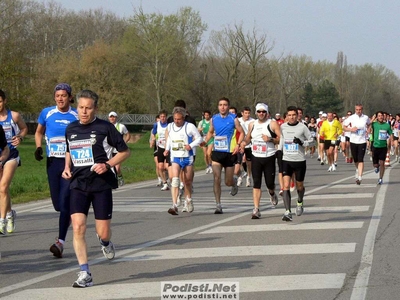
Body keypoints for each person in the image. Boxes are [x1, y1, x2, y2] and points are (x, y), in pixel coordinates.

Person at [62, 90, 130, 288]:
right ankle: (85, 272)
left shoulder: (105, 127)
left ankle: (106, 243)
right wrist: (67, 167)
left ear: (95, 109)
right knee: (78, 227)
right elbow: (69, 149)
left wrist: (107, 165)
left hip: (101, 184)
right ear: (77, 108)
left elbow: (125, 152)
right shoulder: (71, 128)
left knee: (103, 232)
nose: (84, 112)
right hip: (78, 184)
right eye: (81, 107)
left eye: (88, 108)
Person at [34, 83, 79, 257]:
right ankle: (67, 216)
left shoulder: (75, 114)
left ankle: (60, 242)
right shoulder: (47, 113)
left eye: (64, 95)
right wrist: (38, 147)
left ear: (69, 97)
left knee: (65, 199)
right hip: (53, 162)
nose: (60, 98)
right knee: (58, 205)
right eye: (57, 95)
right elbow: (39, 132)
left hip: (70, 163)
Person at [204, 97, 244, 214]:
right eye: (220, 105)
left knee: (227, 181)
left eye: (225, 105)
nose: (222, 107)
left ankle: (233, 183)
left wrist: (238, 144)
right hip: (217, 153)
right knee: (216, 178)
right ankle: (218, 204)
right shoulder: (214, 119)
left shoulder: (233, 119)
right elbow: (210, 132)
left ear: (228, 106)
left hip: (230, 153)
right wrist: (205, 142)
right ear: (218, 106)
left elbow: (242, 132)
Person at [240, 103, 281, 219]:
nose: (261, 113)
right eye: (259, 112)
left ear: (267, 113)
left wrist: (270, 139)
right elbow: (248, 138)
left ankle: (272, 193)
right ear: (256, 113)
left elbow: (281, 139)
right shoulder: (252, 124)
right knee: (256, 183)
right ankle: (256, 209)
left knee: (269, 183)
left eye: (263, 111)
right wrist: (243, 143)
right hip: (256, 157)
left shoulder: (272, 124)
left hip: (269, 156)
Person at [164, 107, 202, 215]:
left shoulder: (189, 127)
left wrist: (191, 145)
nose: (176, 121)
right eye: (175, 119)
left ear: (184, 118)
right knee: (175, 180)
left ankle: (188, 199)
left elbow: (199, 139)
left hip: (187, 157)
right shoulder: (170, 126)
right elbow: (170, 139)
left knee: (187, 181)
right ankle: (174, 205)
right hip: (175, 157)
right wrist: (167, 149)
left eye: (179, 119)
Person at [0, 89, 27, 235]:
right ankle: (10, 213)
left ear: (4, 101)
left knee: (3, 187)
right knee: (2, 190)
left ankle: (2, 221)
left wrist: (20, 137)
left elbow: (24, 128)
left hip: (11, 155)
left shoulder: (14, 116)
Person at [279, 106, 312, 221]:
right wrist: (279, 152)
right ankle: (287, 211)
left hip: (299, 161)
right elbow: (281, 141)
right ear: (287, 116)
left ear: (297, 115)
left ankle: (300, 201)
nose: (292, 117)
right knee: (286, 186)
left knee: (299, 186)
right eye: (289, 115)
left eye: (294, 115)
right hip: (286, 160)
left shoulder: (302, 127)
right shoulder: (282, 127)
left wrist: (302, 142)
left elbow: (312, 142)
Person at [343, 104, 371, 185]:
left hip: (362, 141)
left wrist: (368, 130)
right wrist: (351, 129)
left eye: (360, 109)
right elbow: (344, 127)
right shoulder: (351, 117)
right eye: (357, 110)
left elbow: (369, 124)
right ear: (355, 110)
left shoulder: (365, 117)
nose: (358, 111)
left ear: (362, 110)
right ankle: (357, 170)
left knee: (360, 159)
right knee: (355, 159)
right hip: (353, 140)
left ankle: (360, 177)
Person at [108, 111, 131, 187]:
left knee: (117, 168)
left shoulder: (121, 126)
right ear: (109, 118)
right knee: (110, 167)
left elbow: (128, 135)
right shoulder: (106, 126)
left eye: (113, 117)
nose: (112, 118)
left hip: (119, 151)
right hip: (109, 151)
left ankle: (120, 178)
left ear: (116, 118)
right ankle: (113, 181)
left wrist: (124, 142)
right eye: (111, 117)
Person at [371, 111, 392, 184]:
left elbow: (390, 133)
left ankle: (380, 178)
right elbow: (367, 125)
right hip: (375, 146)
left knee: (382, 163)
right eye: (379, 116)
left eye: (381, 116)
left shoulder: (387, 125)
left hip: (383, 146)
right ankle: (376, 167)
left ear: (383, 117)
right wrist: (372, 119)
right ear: (377, 117)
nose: (380, 117)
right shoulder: (374, 124)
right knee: (376, 164)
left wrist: (391, 142)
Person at [150, 110, 169, 191]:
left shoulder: (169, 125)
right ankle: (165, 183)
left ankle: (172, 178)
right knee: (160, 166)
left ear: (166, 117)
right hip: (160, 147)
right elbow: (153, 133)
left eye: (164, 117)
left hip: (168, 147)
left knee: (167, 167)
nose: (162, 118)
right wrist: (153, 139)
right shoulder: (156, 125)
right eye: (161, 117)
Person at [238, 106, 254, 187]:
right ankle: (240, 177)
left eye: (248, 113)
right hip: (240, 143)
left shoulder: (253, 121)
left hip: (249, 144)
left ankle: (248, 176)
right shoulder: (238, 120)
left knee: (248, 163)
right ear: (242, 113)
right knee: (240, 161)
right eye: (246, 113)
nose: (247, 115)